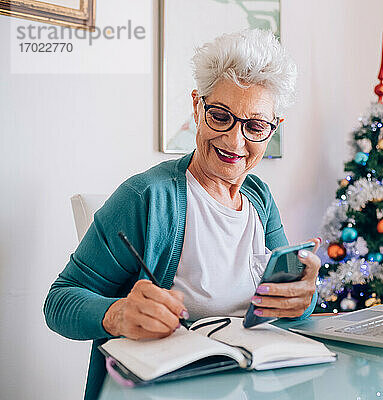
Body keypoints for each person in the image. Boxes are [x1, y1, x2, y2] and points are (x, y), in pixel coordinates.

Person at [43, 29, 321, 400]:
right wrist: (118, 314)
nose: (235, 142)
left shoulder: (260, 198)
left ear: (272, 130)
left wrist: (303, 297)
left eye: (254, 126)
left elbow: (286, 309)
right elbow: (59, 302)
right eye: (221, 116)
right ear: (197, 107)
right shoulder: (145, 197)